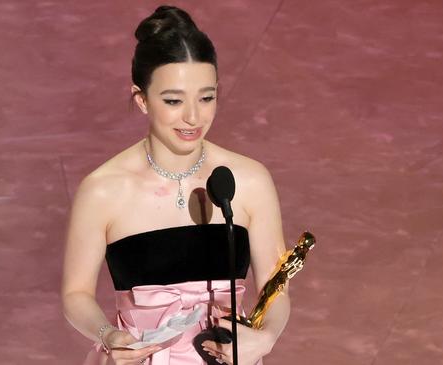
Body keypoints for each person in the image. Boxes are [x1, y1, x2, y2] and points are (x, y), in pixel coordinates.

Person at [62, 5, 290, 365]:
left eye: (206, 97)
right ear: (141, 99)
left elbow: (275, 289)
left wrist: (265, 341)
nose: (193, 117)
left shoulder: (249, 180)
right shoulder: (103, 190)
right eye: (173, 100)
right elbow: (75, 294)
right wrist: (109, 337)